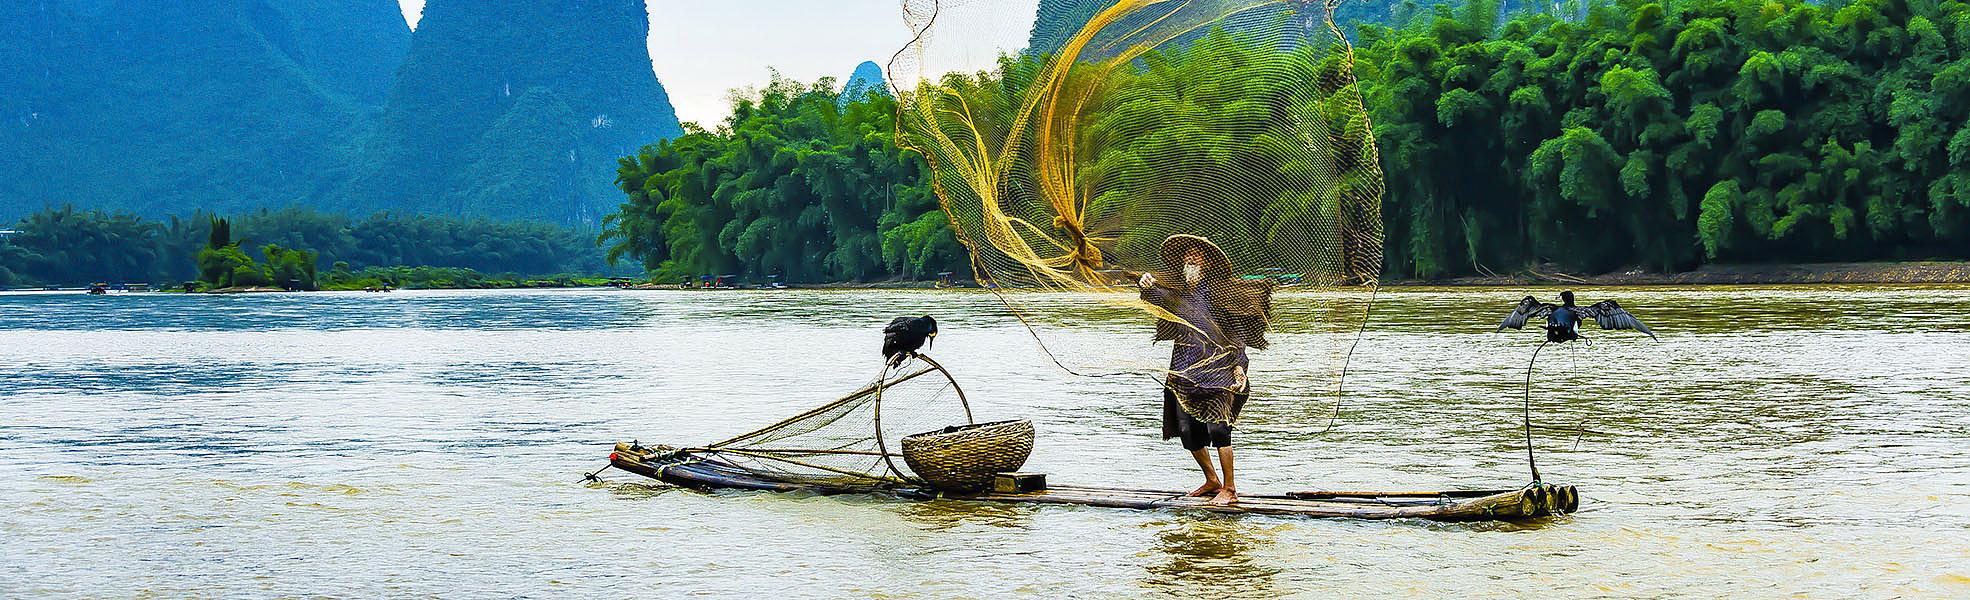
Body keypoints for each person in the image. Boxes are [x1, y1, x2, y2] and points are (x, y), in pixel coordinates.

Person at [1136, 234, 1273, 505]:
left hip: (1219, 369)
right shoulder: (1177, 292)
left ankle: (1230, 489)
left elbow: (1237, 333)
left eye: (1197, 255)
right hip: (1183, 370)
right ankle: (1212, 480)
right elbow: (1155, 296)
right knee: (1187, 431)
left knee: (1219, 429)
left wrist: (1240, 366)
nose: (1191, 258)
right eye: (1187, 255)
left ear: (1207, 263)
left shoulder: (1222, 294)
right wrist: (1146, 285)